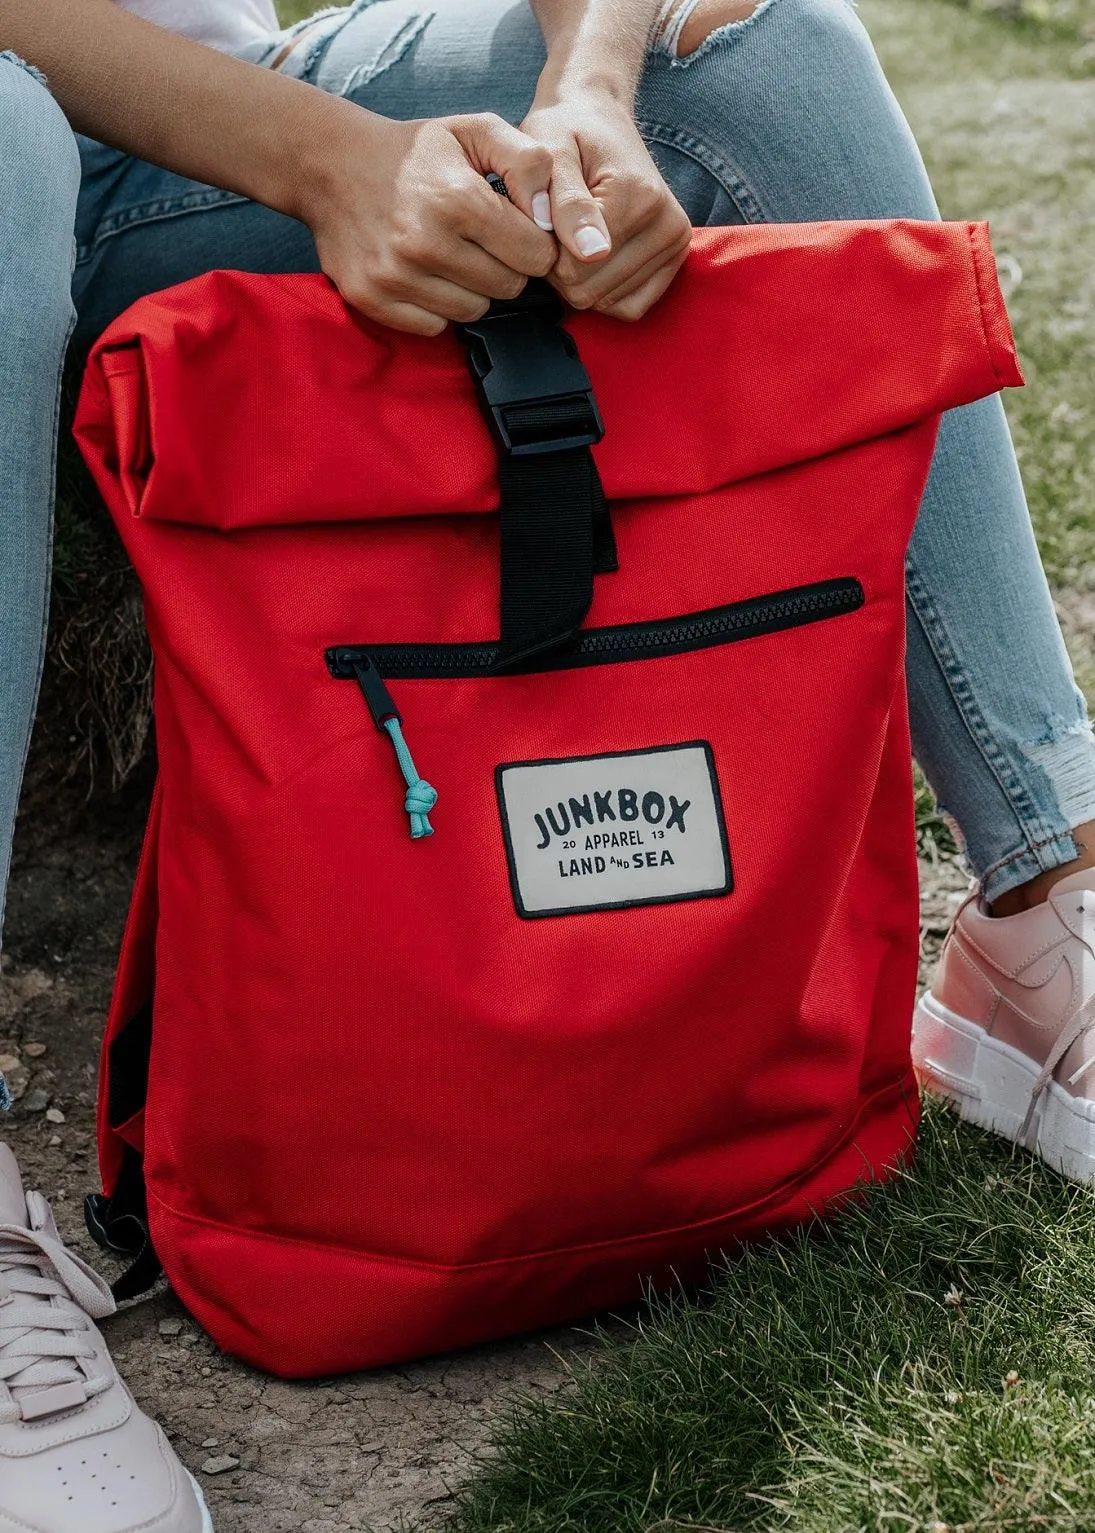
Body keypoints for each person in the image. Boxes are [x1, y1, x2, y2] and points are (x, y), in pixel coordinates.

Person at [1, 0, 1093, 1524]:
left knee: (772, 49)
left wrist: (593, 91)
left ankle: (1045, 911)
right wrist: (328, 164)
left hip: (174, 142)